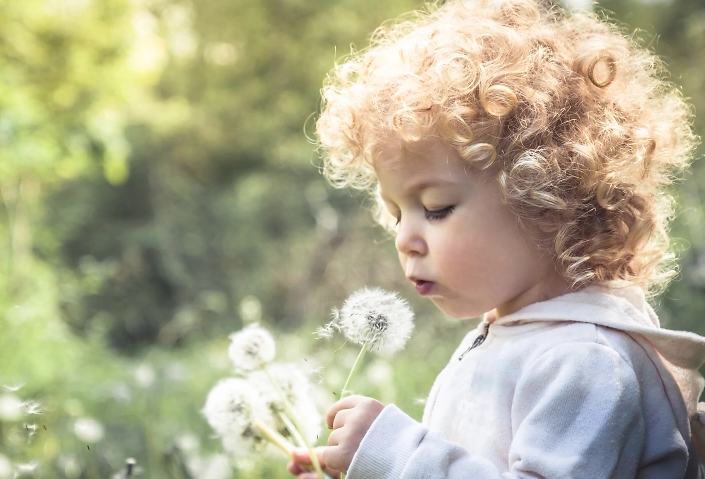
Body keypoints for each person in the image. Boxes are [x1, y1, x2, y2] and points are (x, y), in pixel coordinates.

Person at [288, 0, 705, 477]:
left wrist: (397, 456)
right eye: (395, 214)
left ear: (547, 199)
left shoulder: (584, 362)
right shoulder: (515, 337)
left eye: (435, 208)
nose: (404, 238)